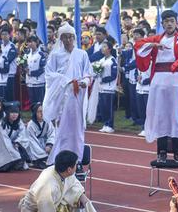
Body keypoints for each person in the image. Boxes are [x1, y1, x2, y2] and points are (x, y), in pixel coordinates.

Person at [134, 10, 178, 162]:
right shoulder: (157, 38)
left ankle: (177, 153)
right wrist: (153, 45)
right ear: (162, 23)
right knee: (160, 115)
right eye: (166, 21)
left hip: (175, 79)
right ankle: (161, 152)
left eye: (172, 21)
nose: (169, 23)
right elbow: (138, 45)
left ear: (176, 23)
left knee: (175, 115)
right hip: (158, 80)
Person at [43, 22, 92, 167]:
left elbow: (88, 74)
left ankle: (76, 160)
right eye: (65, 37)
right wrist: (64, 80)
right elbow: (49, 74)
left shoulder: (81, 54)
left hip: (77, 96)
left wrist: (84, 82)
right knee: (62, 128)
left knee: (76, 129)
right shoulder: (56, 55)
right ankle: (60, 159)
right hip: (62, 96)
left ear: (74, 38)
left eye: (71, 37)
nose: (68, 40)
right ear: (61, 39)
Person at [0, 102, 29, 172]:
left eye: (16, 112)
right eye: (12, 112)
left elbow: (23, 135)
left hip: (16, 145)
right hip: (3, 147)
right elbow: (4, 140)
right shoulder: (2, 125)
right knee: (6, 165)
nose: (14, 115)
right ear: (7, 113)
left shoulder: (19, 122)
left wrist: (17, 142)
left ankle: (17, 160)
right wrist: (13, 149)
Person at [25, 103, 55, 170]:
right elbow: (32, 141)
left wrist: (49, 145)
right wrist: (43, 153)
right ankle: (39, 159)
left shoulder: (47, 121)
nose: (42, 113)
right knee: (30, 143)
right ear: (35, 113)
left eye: (43, 111)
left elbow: (52, 133)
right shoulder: (31, 125)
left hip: (45, 144)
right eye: (39, 112)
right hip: (35, 147)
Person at [97, 40, 118, 133]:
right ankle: (105, 124)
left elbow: (114, 75)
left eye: (105, 47)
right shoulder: (101, 60)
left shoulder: (112, 60)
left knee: (108, 107)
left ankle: (110, 125)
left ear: (109, 49)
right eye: (102, 47)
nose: (102, 48)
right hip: (101, 88)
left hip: (109, 88)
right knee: (103, 107)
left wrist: (104, 80)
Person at [25, 36, 47, 105]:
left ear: (36, 42)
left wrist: (31, 73)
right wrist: (25, 68)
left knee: (39, 102)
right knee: (32, 102)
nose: (30, 44)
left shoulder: (41, 54)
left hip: (39, 82)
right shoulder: (27, 53)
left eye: (31, 42)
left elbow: (42, 69)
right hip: (30, 82)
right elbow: (24, 63)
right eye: (28, 42)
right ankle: (34, 115)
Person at [0, 27, 18, 101]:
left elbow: (8, 60)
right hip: (1, 73)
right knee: (2, 94)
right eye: (3, 34)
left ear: (9, 35)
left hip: (10, 73)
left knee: (9, 93)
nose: (4, 36)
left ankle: (10, 109)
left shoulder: (12, 46)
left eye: (6, 34)